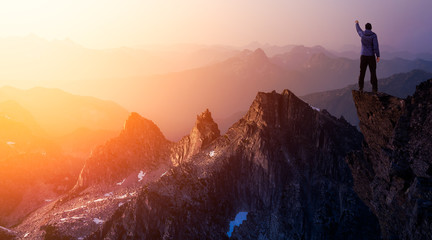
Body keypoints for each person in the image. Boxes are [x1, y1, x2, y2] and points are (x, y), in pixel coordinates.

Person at [355, 20, 380, 92]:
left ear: (365, 28)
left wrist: (357, 23)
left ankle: (360, 88)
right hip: (371, 56)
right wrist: (377, 55)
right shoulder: (374, 35)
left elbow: (358, 30)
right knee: (373, 72)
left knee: (362, 72)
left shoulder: (362, 34)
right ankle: (374, 89)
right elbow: (375, 46)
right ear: (371, 28)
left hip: (363, 56)